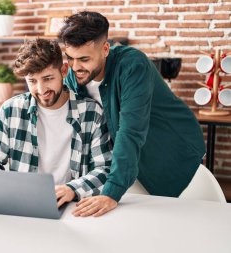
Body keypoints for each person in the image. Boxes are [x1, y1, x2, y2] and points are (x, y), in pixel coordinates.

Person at [58, 11, 206, 217]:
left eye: (83, 59)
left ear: (105, 49)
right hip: (128, 161)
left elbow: (130, 131)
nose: (76, 67)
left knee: (179, 223)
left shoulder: (133, 65)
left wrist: (111, 193)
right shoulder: (75, 75)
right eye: (70, 58)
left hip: (172, 149)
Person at [0, 38, 112, 209]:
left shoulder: (91, 112)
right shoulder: (11, 110)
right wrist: (5, 187)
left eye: (48, 78)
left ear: (64, 70)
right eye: (32, 81)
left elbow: (104, 168)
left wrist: (72, 189)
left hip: (73, 205)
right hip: (23, 205)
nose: (41, 90)